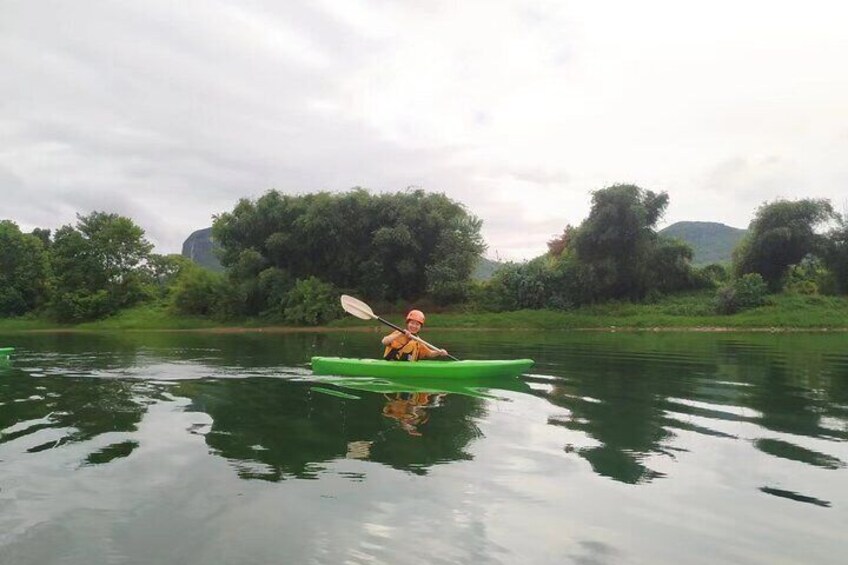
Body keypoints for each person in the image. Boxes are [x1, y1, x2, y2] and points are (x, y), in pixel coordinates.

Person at [381, 309, 449, 361]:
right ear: (408, 323)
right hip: (393, 363)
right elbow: (384, 341)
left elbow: (429, 353)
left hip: (409, 365)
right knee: (412, 343)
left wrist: (439, 352)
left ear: (420, 327)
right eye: (412, 323)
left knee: (414, 343)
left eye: (417, 324)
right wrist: (400, 334)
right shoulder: (399, 333)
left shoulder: (418, 340)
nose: (414, 326)